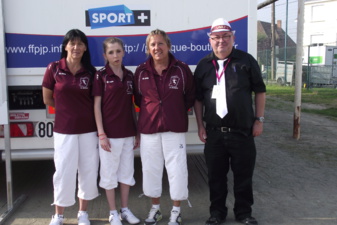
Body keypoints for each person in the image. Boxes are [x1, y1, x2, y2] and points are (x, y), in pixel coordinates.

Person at [194, 18, 266, 225]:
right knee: (216, 178)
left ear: (233, 38)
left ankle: (244, 213)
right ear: (210, 40)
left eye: (226, 36)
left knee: (243, 176)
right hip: (215, 133)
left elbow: (260, 91)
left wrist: (259, 120)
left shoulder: (246, 61)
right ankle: (217, 213)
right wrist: (200, 125)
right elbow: (198, 99)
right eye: (216, 37)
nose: (221, 41)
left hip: (242, 131)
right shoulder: (203, 66)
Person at [134, 29, 195, 225]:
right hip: (149, 129)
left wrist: (173, 111)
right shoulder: (141, 71)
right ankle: (155, 209)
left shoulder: (181, 69)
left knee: (177, 169)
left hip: (174, 129)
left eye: (160, 43)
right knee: (151, 170)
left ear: (168, 46)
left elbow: (189, 96)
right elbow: (138, 98)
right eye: (152, 44)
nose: (157, 48)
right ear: (148, 48)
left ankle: (176, 211)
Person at [42, 29, 99, 225]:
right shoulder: (54, 68)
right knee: (63, 171)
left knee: (88, 170)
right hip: (63, 130)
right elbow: (47, 98)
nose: (76, 47)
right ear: (65, 46)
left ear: (85, 48)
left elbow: (96, 102)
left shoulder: (91, 72)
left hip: (88, 131)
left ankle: (83, 213)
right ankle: (58, 214)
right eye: (72, 43)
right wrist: (68, 110)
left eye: (80, 44)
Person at [92, 37, 140, 225]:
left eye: (118, 51)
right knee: (109, 175)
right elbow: (96, 107)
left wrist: (136, 132)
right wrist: (101, 134)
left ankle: (125, 210)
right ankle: (113, 213)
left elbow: (132, 106)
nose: (115, 55)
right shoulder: (100, 76)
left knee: (127, 174)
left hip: (128, 133)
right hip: (109, 135)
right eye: (111, 52)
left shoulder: (129, 75)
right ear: (105, 55)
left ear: (124, 52)